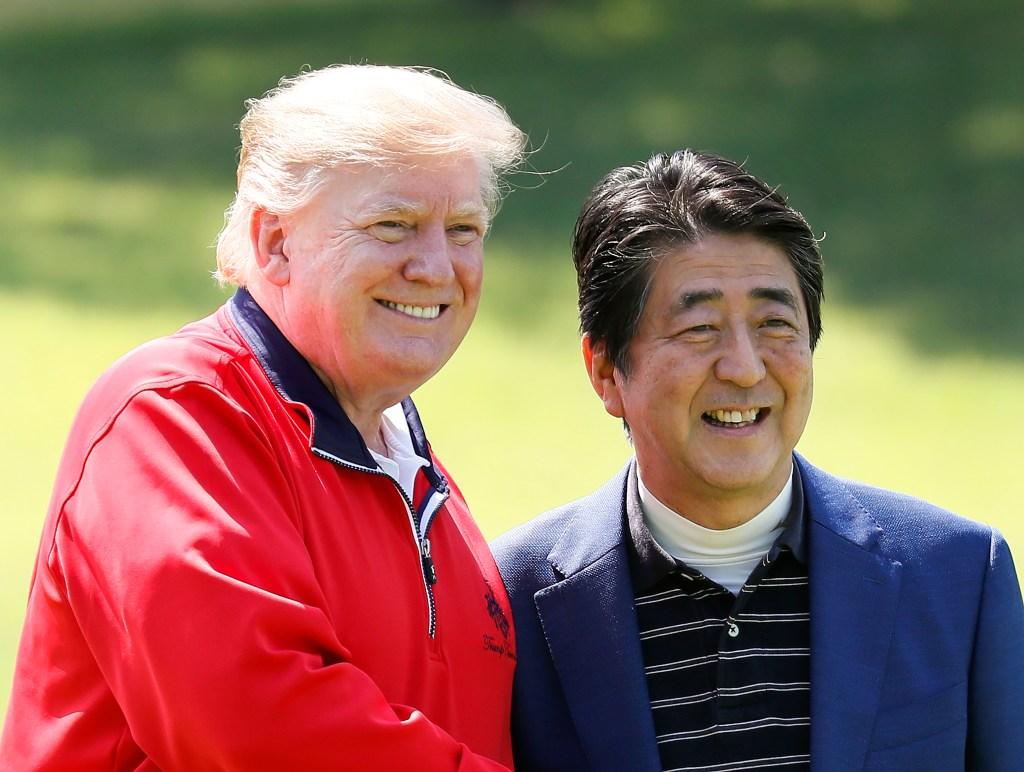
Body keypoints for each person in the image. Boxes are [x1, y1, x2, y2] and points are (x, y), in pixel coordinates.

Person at [2, 64, 525, 770]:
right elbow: (258, 729)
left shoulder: (409, 465)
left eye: (464, 229)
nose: (437, 266)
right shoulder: (175, 416)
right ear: (275, 243)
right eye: (392, 225)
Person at [492, 149, 1024, 771]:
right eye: (699, 329)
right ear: (607, 371)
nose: (745, 368)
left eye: (775, 323)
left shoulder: (958, 576)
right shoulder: (509, 604)